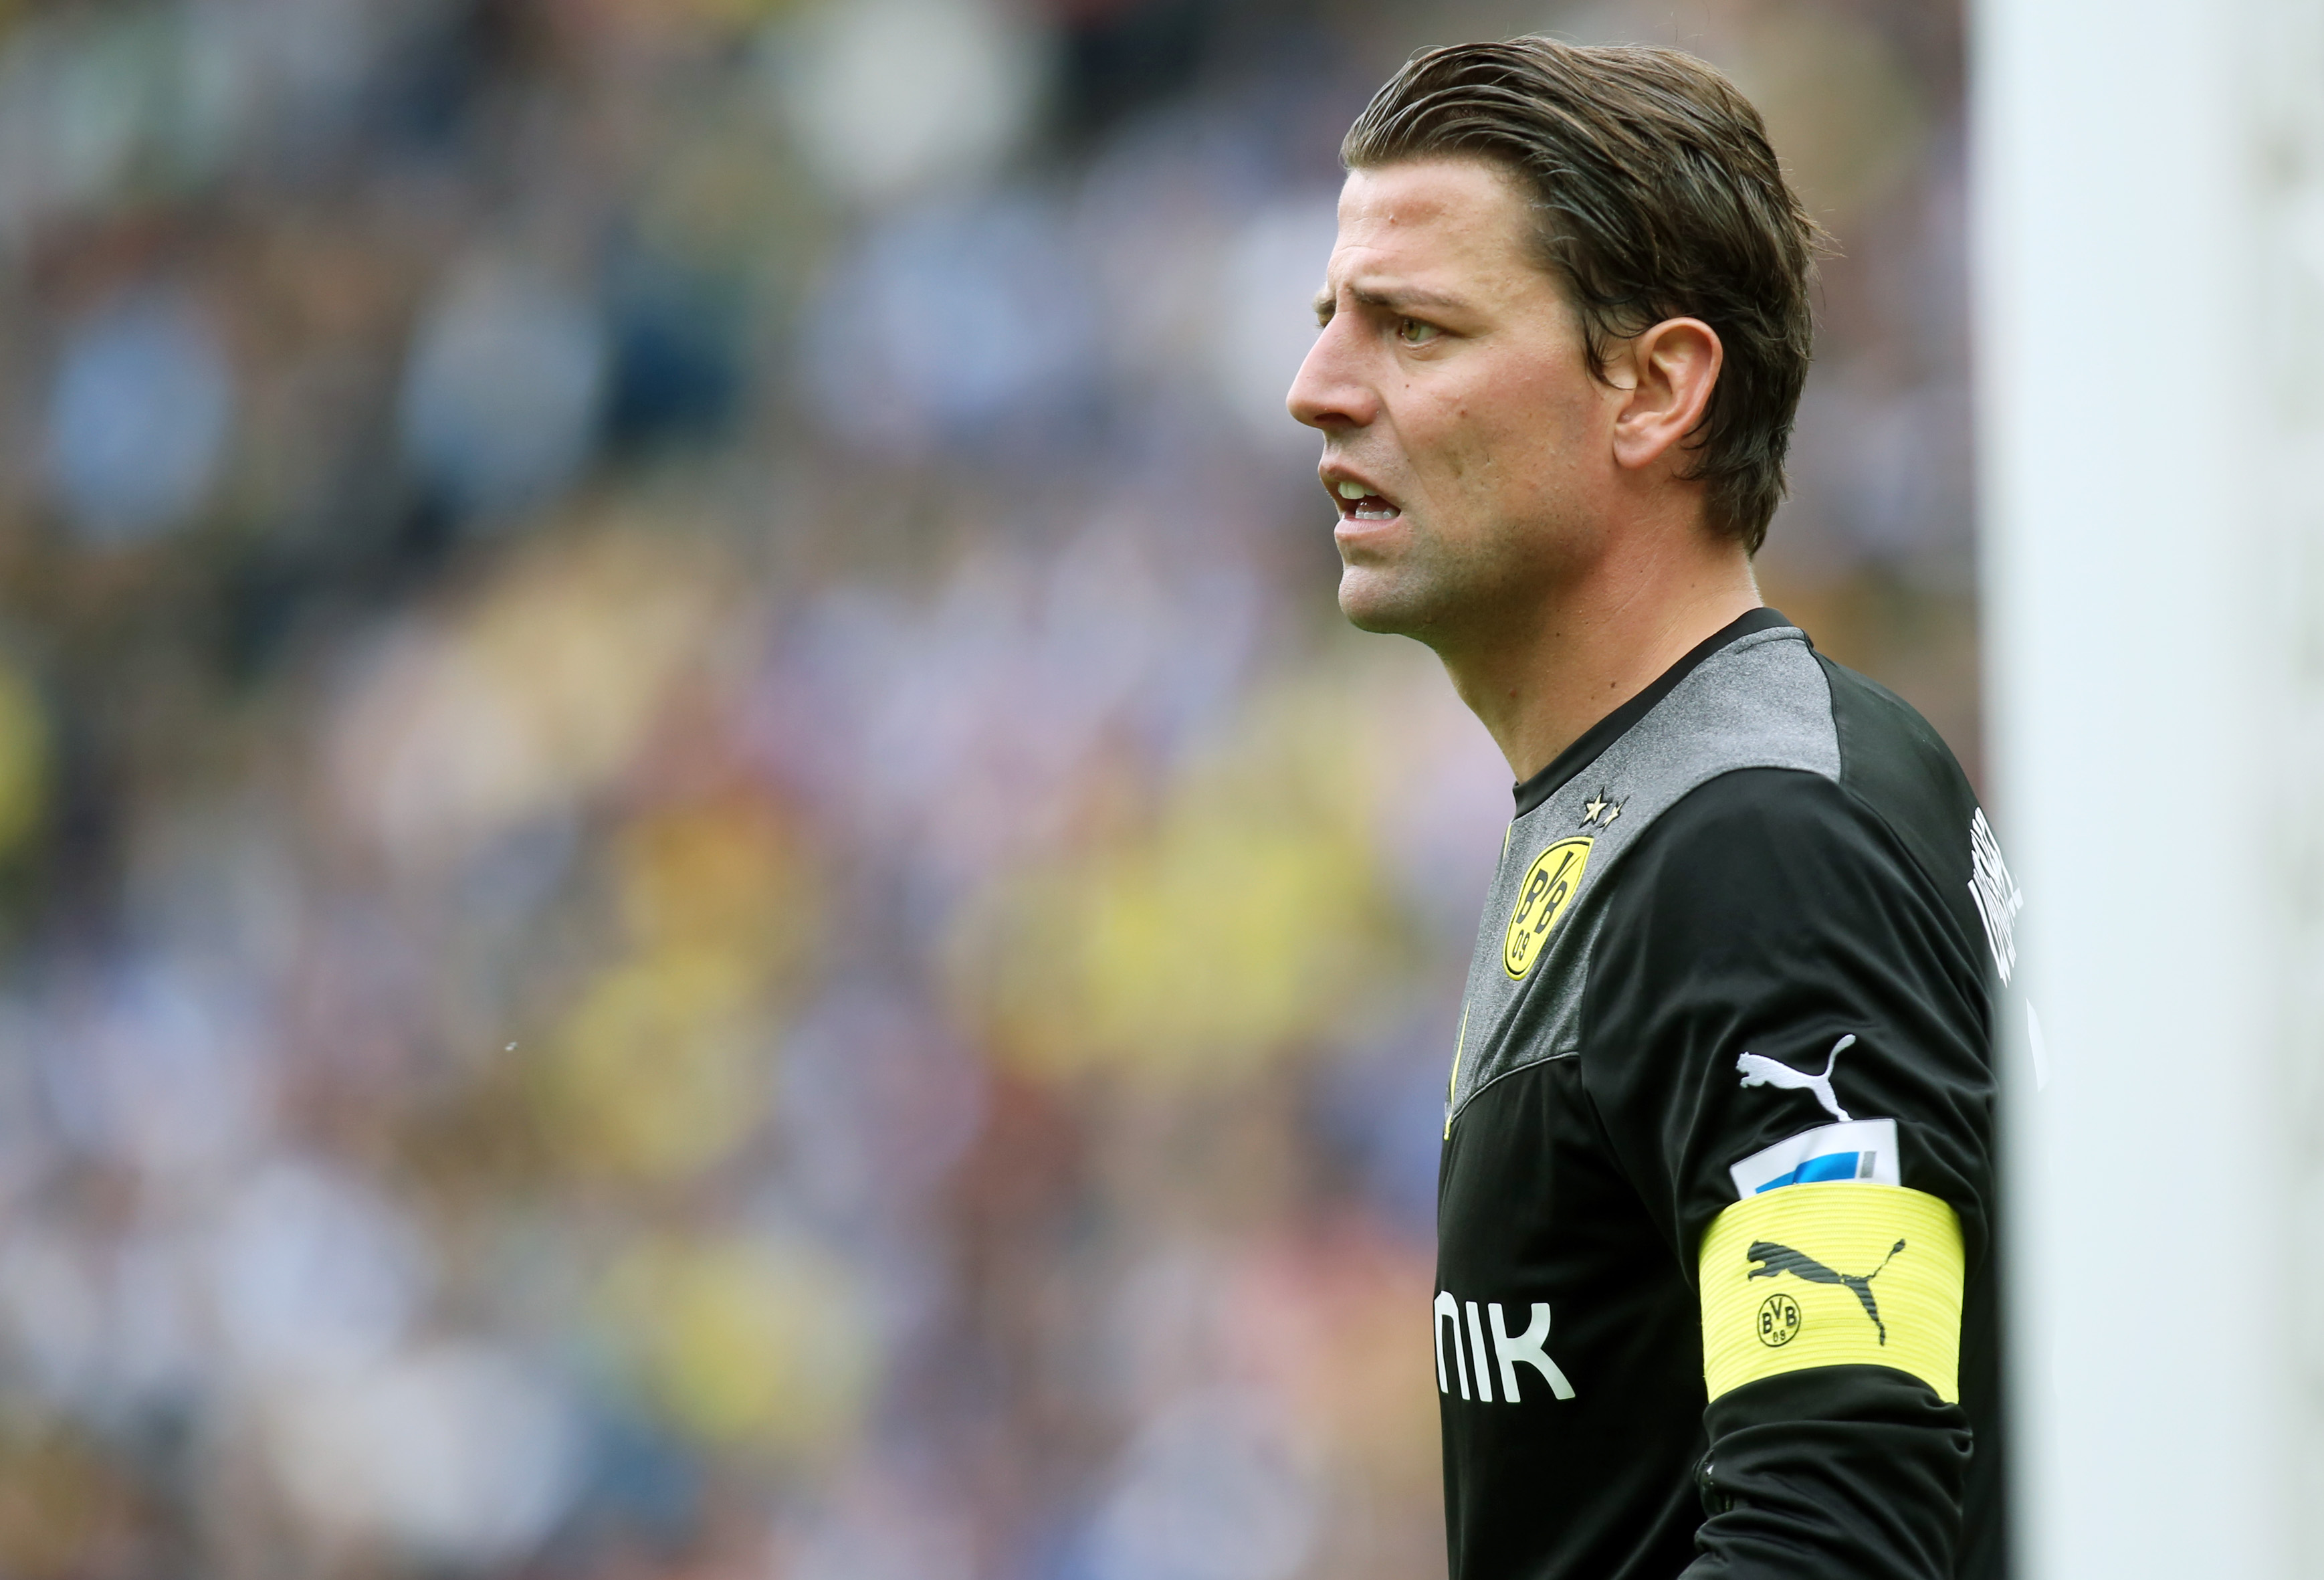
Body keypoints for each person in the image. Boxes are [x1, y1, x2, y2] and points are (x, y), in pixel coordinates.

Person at [1286, 37, 2015, 1580]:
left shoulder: (1763, 845)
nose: (1317, 390)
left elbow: (1831, 1533)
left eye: (1413, 328)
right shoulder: (1669, 796)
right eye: (1329, 322)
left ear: (1656, 388)